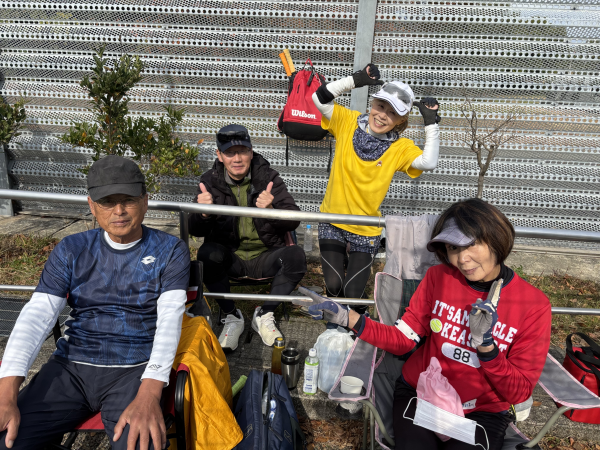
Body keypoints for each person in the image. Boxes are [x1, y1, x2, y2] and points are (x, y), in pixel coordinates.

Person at [305, 199, 552, 450]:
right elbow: (403, 340)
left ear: (496, 237)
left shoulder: (533, 305)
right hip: (421, 393)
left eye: (471, 244)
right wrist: (347, 318)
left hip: (482, 411)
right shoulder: (438, 278)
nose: (462, 258)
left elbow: (518, 392)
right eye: (453, 248)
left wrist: (487, 348)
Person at [0, 156, 190, 450]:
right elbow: (36, 316)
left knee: (142, 444)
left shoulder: (170, 250)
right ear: (91, 205)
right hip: (71, 366)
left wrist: (150, 393)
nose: (119, 211)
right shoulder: (71, 248)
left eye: (128, 200)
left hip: (135, 368)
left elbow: (169, 320)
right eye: (107, 202)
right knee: (7, 440)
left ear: (145, 201)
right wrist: (6, 393)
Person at [311, 63, 442, 313]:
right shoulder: (347, 122)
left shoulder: (400, 148)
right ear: (372, 104)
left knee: (353, 294)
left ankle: (357, 327)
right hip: (332, 219)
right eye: (380, 106)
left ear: (401, 120)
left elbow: (428, 162)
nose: (382, 116)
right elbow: (319, 98)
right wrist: (356, 79)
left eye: (392, 113)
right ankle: (335, 324)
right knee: (334, 285)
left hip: (366, 228)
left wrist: (431, 124)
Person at [189, 124, 307, 351]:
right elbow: (195, 230)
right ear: (219, 155)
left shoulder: (269, 177)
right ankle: (232, 315)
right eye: (229, 153)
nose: (237, 158)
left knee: (296, 256)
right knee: (206, 254)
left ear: (251, 152)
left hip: (266, 255)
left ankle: (264, 314)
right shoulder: (209, 181)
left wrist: (271, 210)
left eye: (242, 151)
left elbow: (294, 220)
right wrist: (202, 213)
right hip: (230, 257)